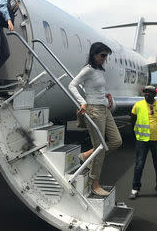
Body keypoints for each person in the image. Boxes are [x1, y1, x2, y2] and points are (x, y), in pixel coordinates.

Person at [68, 42, 122, 197]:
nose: (105, 59)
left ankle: (85, 156)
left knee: (116, 141)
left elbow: (95, 88)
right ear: (94, 54)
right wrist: (82, 102)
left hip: (104, 109)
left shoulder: (99, 70)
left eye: (106, 56)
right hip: (94, 110)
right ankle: (95, 184)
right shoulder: (88, 70)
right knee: (100, 148)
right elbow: (72, 85)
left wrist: (107, 95)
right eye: (103, 55)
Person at [129, 85, 157, 201]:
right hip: (142, 140)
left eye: (150, 93)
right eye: (145, 92)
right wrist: (136, 134)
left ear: (155, 94)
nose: (147, 94)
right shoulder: (138, 105)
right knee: (139, 165)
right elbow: (132, 120)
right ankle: (135, 189)